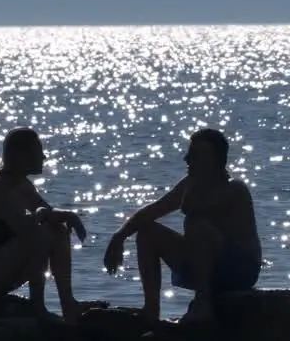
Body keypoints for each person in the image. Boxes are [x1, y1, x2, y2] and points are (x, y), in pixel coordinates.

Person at [103, 128, 262, 323]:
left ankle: (203, 304)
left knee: (196, 224)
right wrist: (118, 237)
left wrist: (192, 188)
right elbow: (154, 210)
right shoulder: (191, 184)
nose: (187, 159)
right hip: (202, 265)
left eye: (196, 155)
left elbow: (191, 207)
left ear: (214, 160)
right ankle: (151, 310)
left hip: (238, 271)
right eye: (189, 153)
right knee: (147, 232)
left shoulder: (235, 189)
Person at [0, 127, 89, 322]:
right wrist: (47, 216)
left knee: (58, 230)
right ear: (20, 155)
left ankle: (67, 303)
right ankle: (38, 306)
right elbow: (25, 226)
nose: (44, 157)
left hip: (4, 266)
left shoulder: (23, 185)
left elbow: (47, 213)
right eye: (38, 151)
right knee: (41, 233)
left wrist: (69, 215)